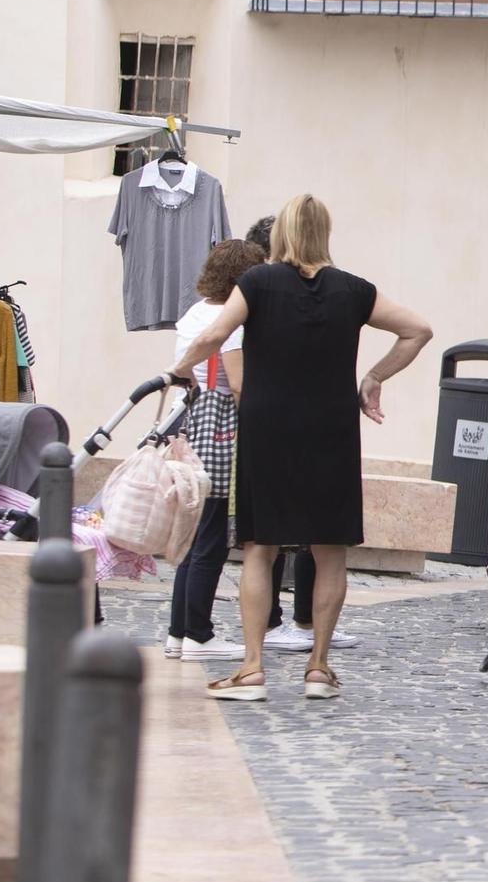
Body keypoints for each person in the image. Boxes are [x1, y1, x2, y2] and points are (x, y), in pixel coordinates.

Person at [170, 194, 433, 701]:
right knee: (329, 548)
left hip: (267, 425)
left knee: (259, 547)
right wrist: (374, 377)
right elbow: (418, 330)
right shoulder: (355, 290)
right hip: (331, 426)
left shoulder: (257, 283)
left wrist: (179, 369)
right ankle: (317, 667)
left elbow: (216, 333)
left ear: (281, 234)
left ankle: (251, 668)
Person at [163, 238, 267, 662]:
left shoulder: (194, 313)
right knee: (210, 538)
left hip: (188, 430)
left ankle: (177, 632)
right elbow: (238, 384)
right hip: (219, 434)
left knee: (193, 538)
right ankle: (199, 634)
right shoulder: (231, 322)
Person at [245, 214, 328, 652]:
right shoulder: (260, 288)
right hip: (298, 425)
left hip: (272, 423)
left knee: (274, 539)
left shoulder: (261, 291)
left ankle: (276, 640)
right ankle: (297, 637)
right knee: (288, 539)